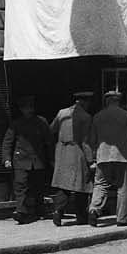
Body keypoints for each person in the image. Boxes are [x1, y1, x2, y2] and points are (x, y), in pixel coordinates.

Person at [87, 88, 127, 226]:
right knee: (123, 188)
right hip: (122, 157)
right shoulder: (126, 115)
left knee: (100, 185)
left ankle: (94, 210)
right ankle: (122, 219)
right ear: (118, 102)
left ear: (106, 102)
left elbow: (92, 139)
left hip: (103, 157)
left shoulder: (97, 116)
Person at [2, 93, 54, 225]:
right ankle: (21, 212)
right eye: (26, 108)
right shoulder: (16, 124)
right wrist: (7, 158)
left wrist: (52, 158)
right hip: (21, 160)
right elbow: (8, 142)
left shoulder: (41, 122)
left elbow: (49, 141)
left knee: (39, 186)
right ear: (21, 109)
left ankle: (40, 209)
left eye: (30, 107)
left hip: (37, 160)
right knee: (20, 186)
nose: (28, 110)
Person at [47, 90, 95, 225]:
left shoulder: (62, 113)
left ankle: (58, 211)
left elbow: (51, 129)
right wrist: (90, 160)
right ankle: (81, 216)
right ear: (84, 102)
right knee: (82, 185)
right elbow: (85, 142)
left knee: (63, 185)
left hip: (62, 152)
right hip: (77, 152)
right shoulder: (86, 117)